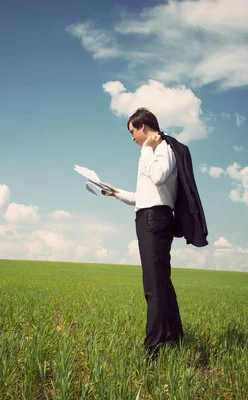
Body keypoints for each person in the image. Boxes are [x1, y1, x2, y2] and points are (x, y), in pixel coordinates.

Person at [103, 107, 184, 357]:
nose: (132, 138)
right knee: (161, 283)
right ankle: (174, 337)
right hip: (149, 215)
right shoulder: (153, 151)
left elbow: (159, 177)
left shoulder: (161, 148)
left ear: (143, 127)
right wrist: (116, 193)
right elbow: (145, 196)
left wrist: (148, 148)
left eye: (132, 132)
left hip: (155, 219)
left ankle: (153, 348)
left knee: (153, 286)